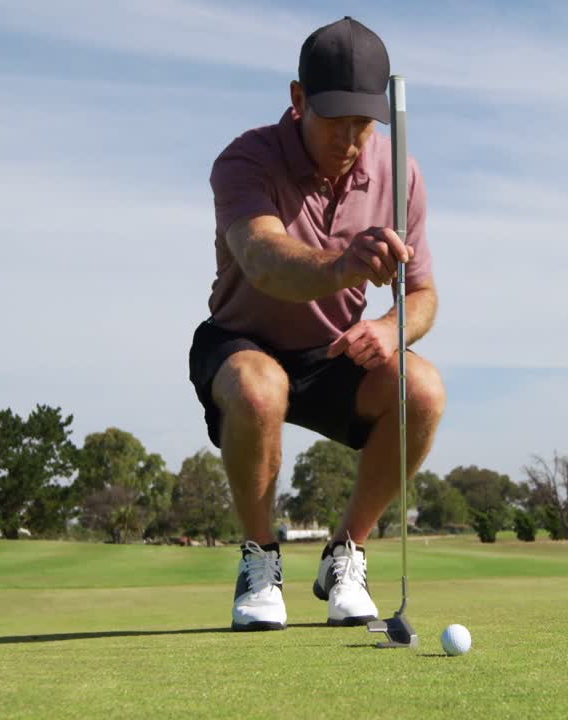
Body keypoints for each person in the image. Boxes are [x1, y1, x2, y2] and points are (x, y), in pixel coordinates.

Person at [189, 16, 445, 631]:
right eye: (336, 121)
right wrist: (344, 266)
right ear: (298, 99)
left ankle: (345, 555)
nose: (352, 139)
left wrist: (390, 328)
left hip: (333, 351)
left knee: (424, 390)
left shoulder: (399, 172)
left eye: (364, 123)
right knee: (259, 386)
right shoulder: (246, 160)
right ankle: (260, 559)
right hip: (241, 341)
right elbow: (264, 261)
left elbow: (425, 294)